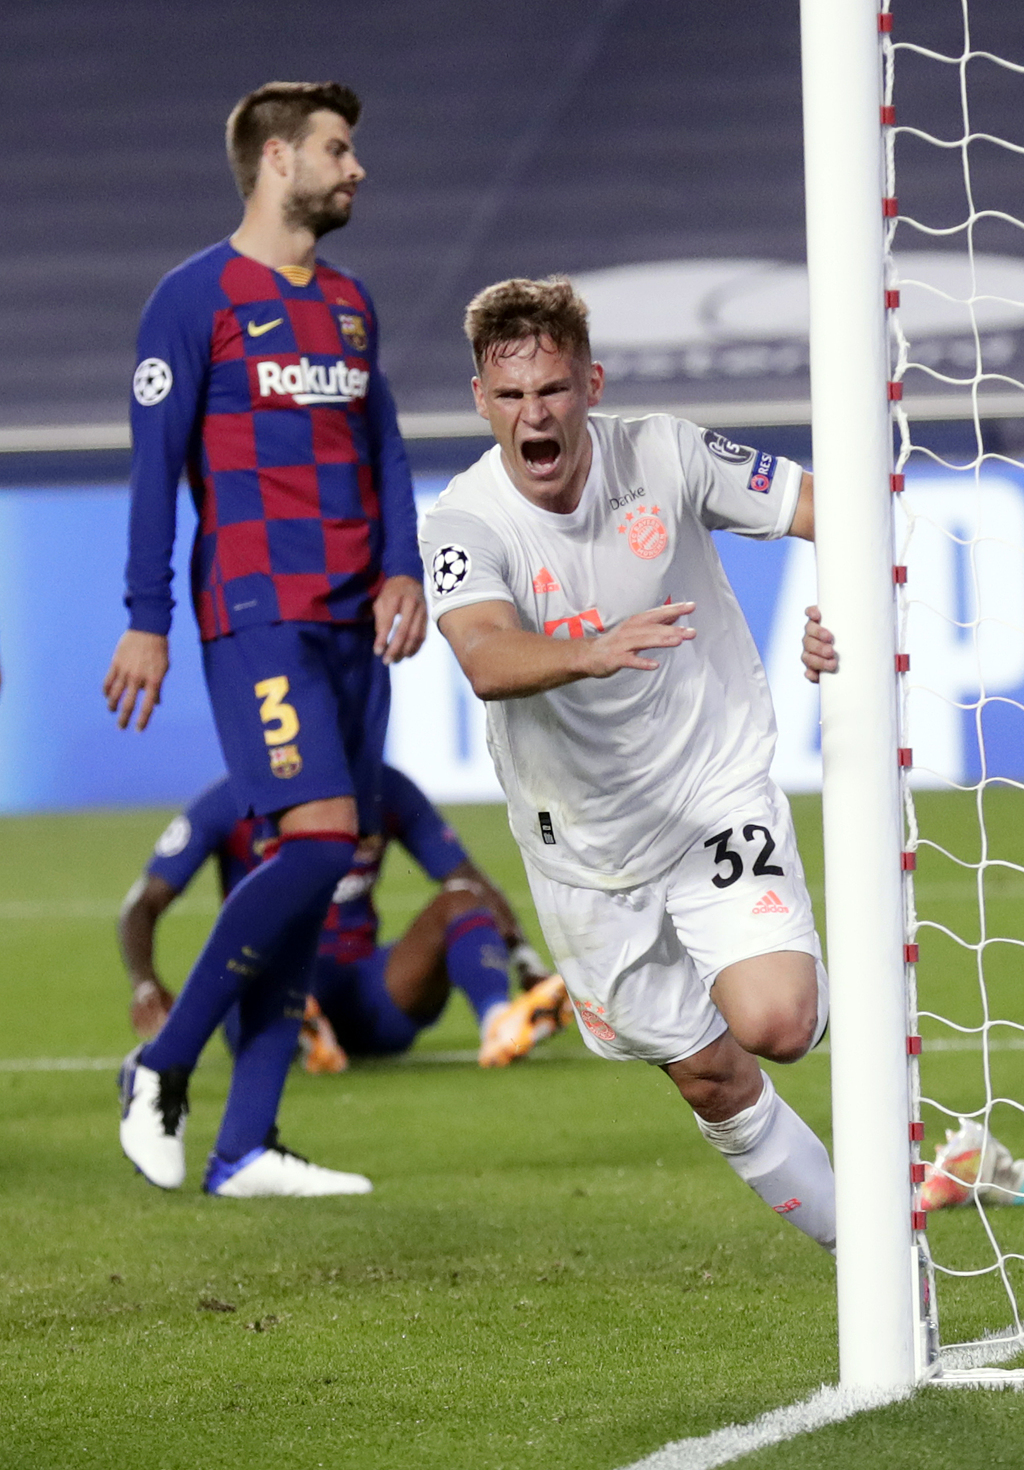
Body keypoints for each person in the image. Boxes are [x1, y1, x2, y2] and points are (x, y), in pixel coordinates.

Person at [419, 276, 837, 1252]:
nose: (535, 415)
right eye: (511, 395)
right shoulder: (463, 523)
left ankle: (883, 1269)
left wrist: (840, 620)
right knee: (710, 1077)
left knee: (774, 1021)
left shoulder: (668, 454)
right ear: (480, 400)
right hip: (583, 853)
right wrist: (590, 649)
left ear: (591, 385)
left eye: (554, 390)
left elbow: (832, 510)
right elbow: (484, 657)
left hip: (708, 791)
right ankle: (882, 1258)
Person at [103, 82, 427, 1198]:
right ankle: (161, 1063)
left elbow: (382, 443)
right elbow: (156, 469)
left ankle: (245, 1144)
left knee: (319, 860)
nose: (357, 167)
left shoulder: (349, 304)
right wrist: (146, 618)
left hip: (351, 621)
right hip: (256, 611)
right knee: (324, 839)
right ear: (279, 159)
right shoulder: (192, 300)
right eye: (339, 150)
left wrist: (403, 565)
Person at [119, 766, 570, 1069]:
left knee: (460, 900)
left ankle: (499, 1023)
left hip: (369, 993)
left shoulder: (383, 787)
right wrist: (145, 982)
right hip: (268, 983)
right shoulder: (234, 798)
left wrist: (527, 961)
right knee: (258, 935)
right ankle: (299, 1027)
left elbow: (470, 881)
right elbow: (143, 903)